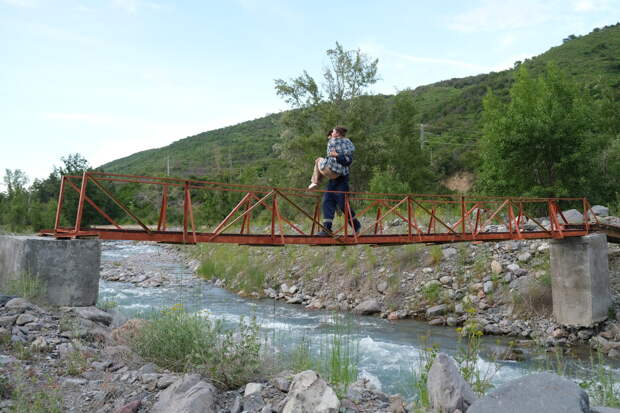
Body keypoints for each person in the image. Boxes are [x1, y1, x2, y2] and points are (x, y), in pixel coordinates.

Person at [310, 126, 361, 236]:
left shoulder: (346, 146)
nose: (331, 134)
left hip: (342, 180)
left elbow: (347, 162)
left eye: (332, 132)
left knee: (343, 204)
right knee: (327, 202)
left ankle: (356, 226)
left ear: (337, 133)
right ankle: (327, 230)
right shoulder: (333, 145)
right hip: (333, 181)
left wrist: (337, 155)